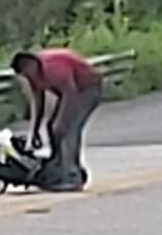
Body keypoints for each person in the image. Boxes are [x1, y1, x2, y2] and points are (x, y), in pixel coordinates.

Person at [11, 48, 103, 192]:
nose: (28, 76)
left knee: (69, 129)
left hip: (86, 89)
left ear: (32, 63)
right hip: (69, 92)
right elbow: (38, 102)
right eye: (24, 75)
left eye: (27, 70)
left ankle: (73, 176)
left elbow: (70, 93)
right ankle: (60, 168)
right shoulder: (33, 76)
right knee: (51, 127)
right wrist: (34, 131)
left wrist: (61, 123)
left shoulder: (52, 68)